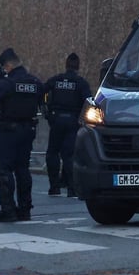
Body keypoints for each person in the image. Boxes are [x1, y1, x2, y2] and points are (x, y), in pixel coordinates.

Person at [0, 48, 44, 222]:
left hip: (9, 130)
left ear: (8, 65)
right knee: (23, 168)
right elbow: (44, 99)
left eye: (4, 67)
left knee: (5, 168)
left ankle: (8, 210)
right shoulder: (35, 82)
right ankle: (25, 209)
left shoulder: (7, 83)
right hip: (28, 130)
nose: (3, 70)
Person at [44, 53, 92, 197]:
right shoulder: (81, 82)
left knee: (52, 152)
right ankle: (72, 188)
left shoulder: (55, 80)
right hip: (73, 121)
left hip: (56, 120)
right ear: (78, 66)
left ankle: (54, 186)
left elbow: (42, 91)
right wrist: (83, 120)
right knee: (69, 155)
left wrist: (47, 111)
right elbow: (89, 101)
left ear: (66, 65)